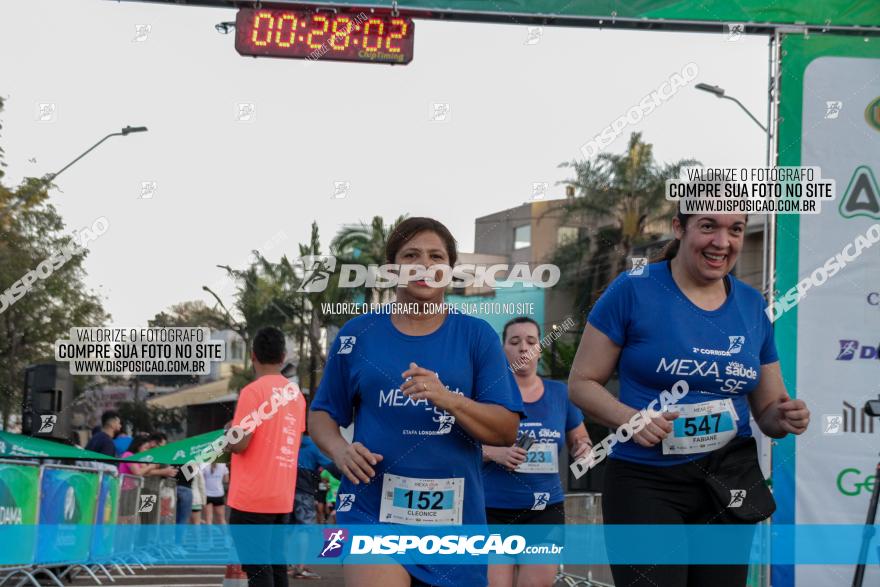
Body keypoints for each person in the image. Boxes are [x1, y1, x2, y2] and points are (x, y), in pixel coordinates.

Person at [568, 210, 811, 587]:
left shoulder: (750, 305)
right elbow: (581, 383)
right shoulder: (633, 289)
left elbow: (768, 410)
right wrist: (631, 419)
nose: (722, 242)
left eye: (736, 230)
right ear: (680, 228)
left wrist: (785, 416)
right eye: (708, 226)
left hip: (728, 481)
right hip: (646, 483)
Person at [309, 217, 524, 587]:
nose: (424, 265)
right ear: (392, 268)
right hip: (371, 511)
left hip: (455, 523)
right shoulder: (358, 335)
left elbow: (506, 430)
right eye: (411, 255)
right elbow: (322, 414)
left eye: (436, 256)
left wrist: (450, 400)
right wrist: (340, 451)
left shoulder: (478, 337)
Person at [482, 317, 592, 587]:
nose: (523, 348)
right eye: (515, 341)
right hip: (492, 510)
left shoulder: (560, 393)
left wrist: (584, 449)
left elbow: (580, 437)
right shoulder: (486, 393)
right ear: (503, 348)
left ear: (539, 349)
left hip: (545, 510)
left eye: (531, 341)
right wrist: (496, 453)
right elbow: (463, 445)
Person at [226, 326, 307, 587]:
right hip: (281, 496)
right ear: (283, 357)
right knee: (276, 565)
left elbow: (241, 443)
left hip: (251, 498)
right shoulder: (296, 396)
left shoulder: (253, 391)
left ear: (253, 356)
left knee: (259, 572)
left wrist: (228, 433)